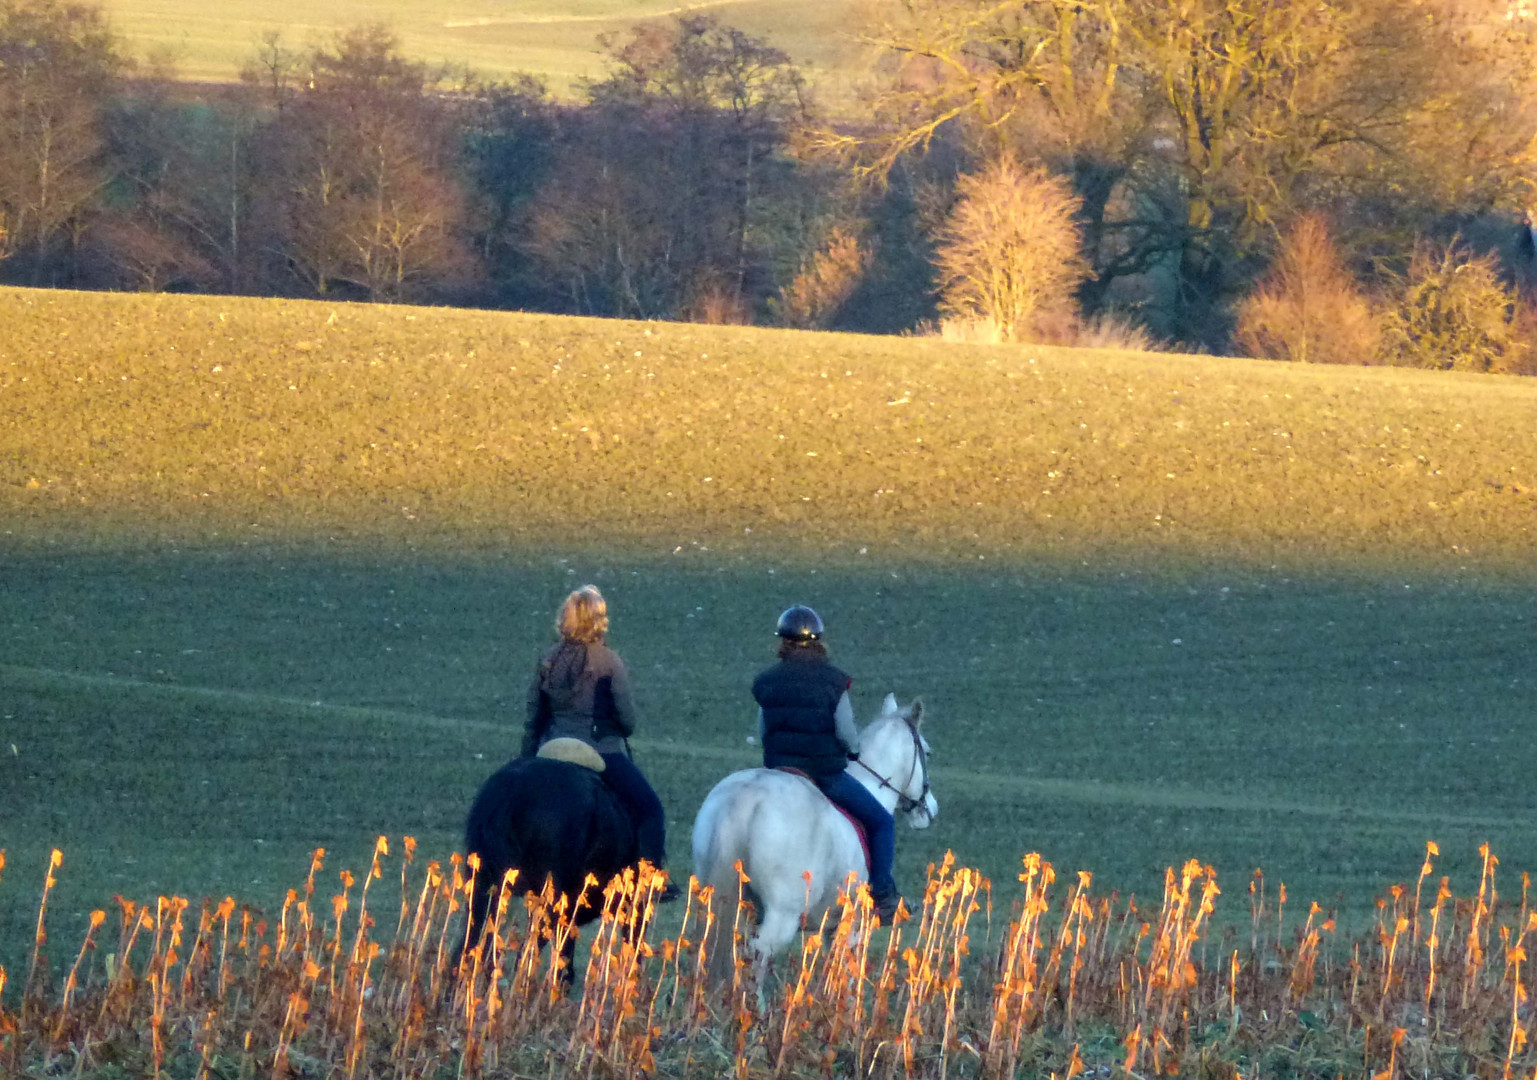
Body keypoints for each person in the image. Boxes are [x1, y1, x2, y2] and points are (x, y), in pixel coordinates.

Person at [523, 585, 679, 902]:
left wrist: (526, 761)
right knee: (650, 809)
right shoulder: (609, 661)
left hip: (551, 751)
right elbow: (628, 721)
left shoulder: (547, 660)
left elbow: (534, 716)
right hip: (600, 751)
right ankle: (649, 879)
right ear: (598, 621)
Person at [751, 605, 903, 920]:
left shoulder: (767, 681)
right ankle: (882, 895)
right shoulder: (834, 681)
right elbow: (846, 732)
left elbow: (762, 730)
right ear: (818, 640)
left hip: (779, 769)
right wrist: (854, 751)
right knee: (881, 821)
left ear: (782, 641)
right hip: (823, 774)